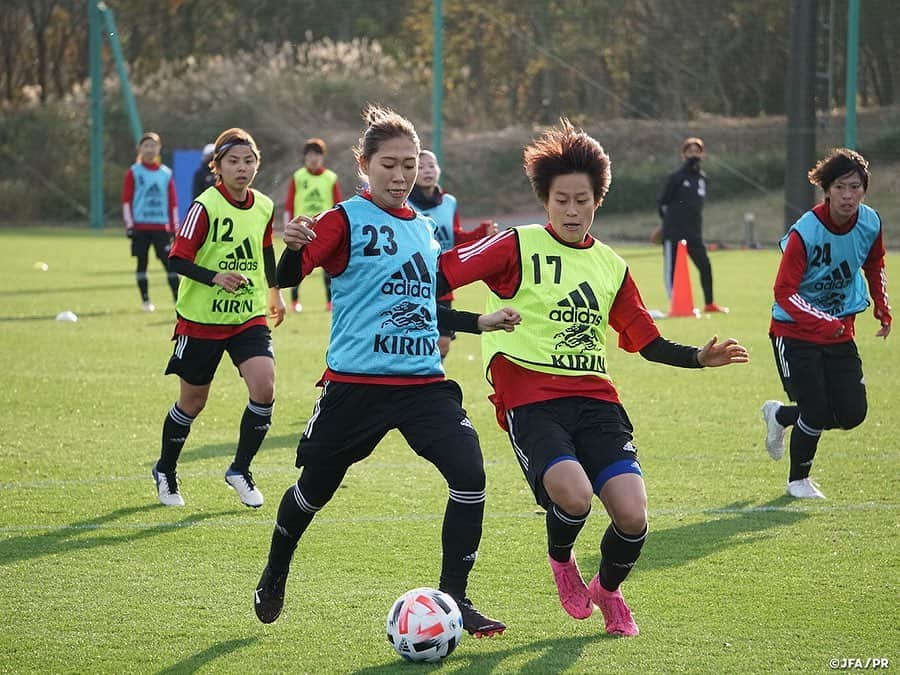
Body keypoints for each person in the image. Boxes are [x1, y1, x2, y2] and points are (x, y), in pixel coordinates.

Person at [438, 119, 749, 636]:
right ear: (545, 200)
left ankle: (608, 590)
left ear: (597, 200)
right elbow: (439, 275)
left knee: (632, 515)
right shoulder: (517, 244)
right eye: (561, 199)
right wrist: (471, 323)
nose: (571, 210)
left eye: (582, 199)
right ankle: (562, 561)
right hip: (529, 396)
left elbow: (646, 341)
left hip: (595, 399)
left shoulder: (610, 265)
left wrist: (698, 357)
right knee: (575, 496)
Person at [253, 105, 517, 638]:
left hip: (423, 384)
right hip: (356, 386)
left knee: (470, 476)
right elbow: (290, 276)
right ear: (365, 165)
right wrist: (291, 247)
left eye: (410, 164)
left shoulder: (424, 229)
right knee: (314, 490)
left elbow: (427, 306)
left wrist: (480, 320)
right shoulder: (343, 218)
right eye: (389, 165)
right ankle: (277, 566)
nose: (401, 176)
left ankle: (456, 598)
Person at [151, 127, 286, 508]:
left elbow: (265, 251)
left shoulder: (263, 205)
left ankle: (240, 469)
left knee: (264, 387)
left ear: (257, 164)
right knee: (193, 402)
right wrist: (215, 277)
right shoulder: (205, 205)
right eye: (233, 161)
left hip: (247, 315)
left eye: (249, 161)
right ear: (218, 167)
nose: (242, 168)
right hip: (201, 320)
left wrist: (274, 292)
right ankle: (166, 469)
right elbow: (177, 257)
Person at [760, 148, 890, 499]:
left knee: (852, 413)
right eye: (841, 188)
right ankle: (797, 481)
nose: (849, 196)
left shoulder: (870, 222)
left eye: (856, 188)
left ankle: (782, 416)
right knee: (815, 410)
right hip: (794, 332)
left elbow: (875, 263)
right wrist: (822, 321)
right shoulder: (806, 232)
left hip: (838, 331)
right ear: (827, 190)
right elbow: (784, 292)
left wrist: (881, 305)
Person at [408, 149, 498, 359]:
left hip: (442, 280)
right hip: (414, 279)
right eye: (420, 167)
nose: (427, 171)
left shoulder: (449, 202)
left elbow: (454, 237)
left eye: (431, 165)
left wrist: (480, 234)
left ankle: (426, 380)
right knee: (414, 338)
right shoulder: (405, 203)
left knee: (443, 343)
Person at [657, 137, 727, 313]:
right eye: (690, 151)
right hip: (674, 232)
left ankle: (709, 303)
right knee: (671, 270)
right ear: (683, 154)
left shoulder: (702, 179)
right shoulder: (676, 177)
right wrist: (667, 225)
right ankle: (677, 305)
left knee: (705, 265)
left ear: (702, 154)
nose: (694, 154)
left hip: (694, 233)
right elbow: (662, 203)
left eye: (697, 151)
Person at [121, 131, 180, 312]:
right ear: (140, 148)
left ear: (159, 148)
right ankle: (146, 301)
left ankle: (179, 301)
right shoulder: (134, 172)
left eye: (153, 145)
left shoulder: (165, 173)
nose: (150, 149)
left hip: (161, 227)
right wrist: (130, 225)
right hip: (140, 227)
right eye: (146, 145)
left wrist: (174, 227)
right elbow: (127, 200)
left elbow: (173, 203)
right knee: (142, 263)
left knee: (169, 263)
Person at [283, 138, 342, 313]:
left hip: (324, 229)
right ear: (305, 157)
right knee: (298, 264)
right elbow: (289, 203)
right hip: (302, 228)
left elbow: (338, 204)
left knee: (328, 268)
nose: (313, 158)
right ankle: (294, 302)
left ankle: (330, 302)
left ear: (322, 157)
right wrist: (289, 226)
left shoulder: (330, 177)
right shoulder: (299, 176)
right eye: (309, 155)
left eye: (317, 154)